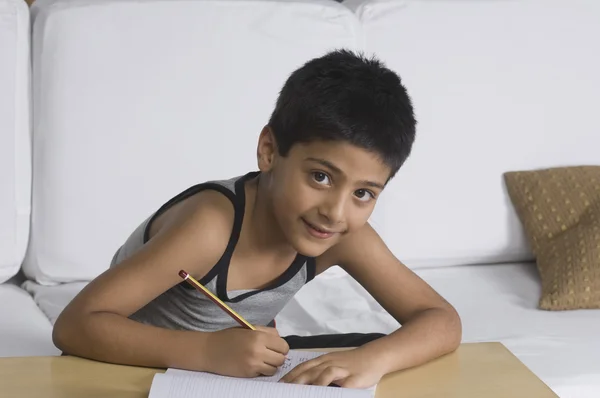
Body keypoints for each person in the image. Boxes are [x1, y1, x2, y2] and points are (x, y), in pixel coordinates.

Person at [52, 49, 461, 389]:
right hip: (134, 371)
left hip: (232, 372)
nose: (336, 212)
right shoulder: (210, 227)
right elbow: (74, 326)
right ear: (269, 150)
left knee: (369, 355)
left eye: (363, 193)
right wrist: (208, 352)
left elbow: (441, 320)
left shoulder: (339, 233)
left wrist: (374, 359)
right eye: (320, 176)